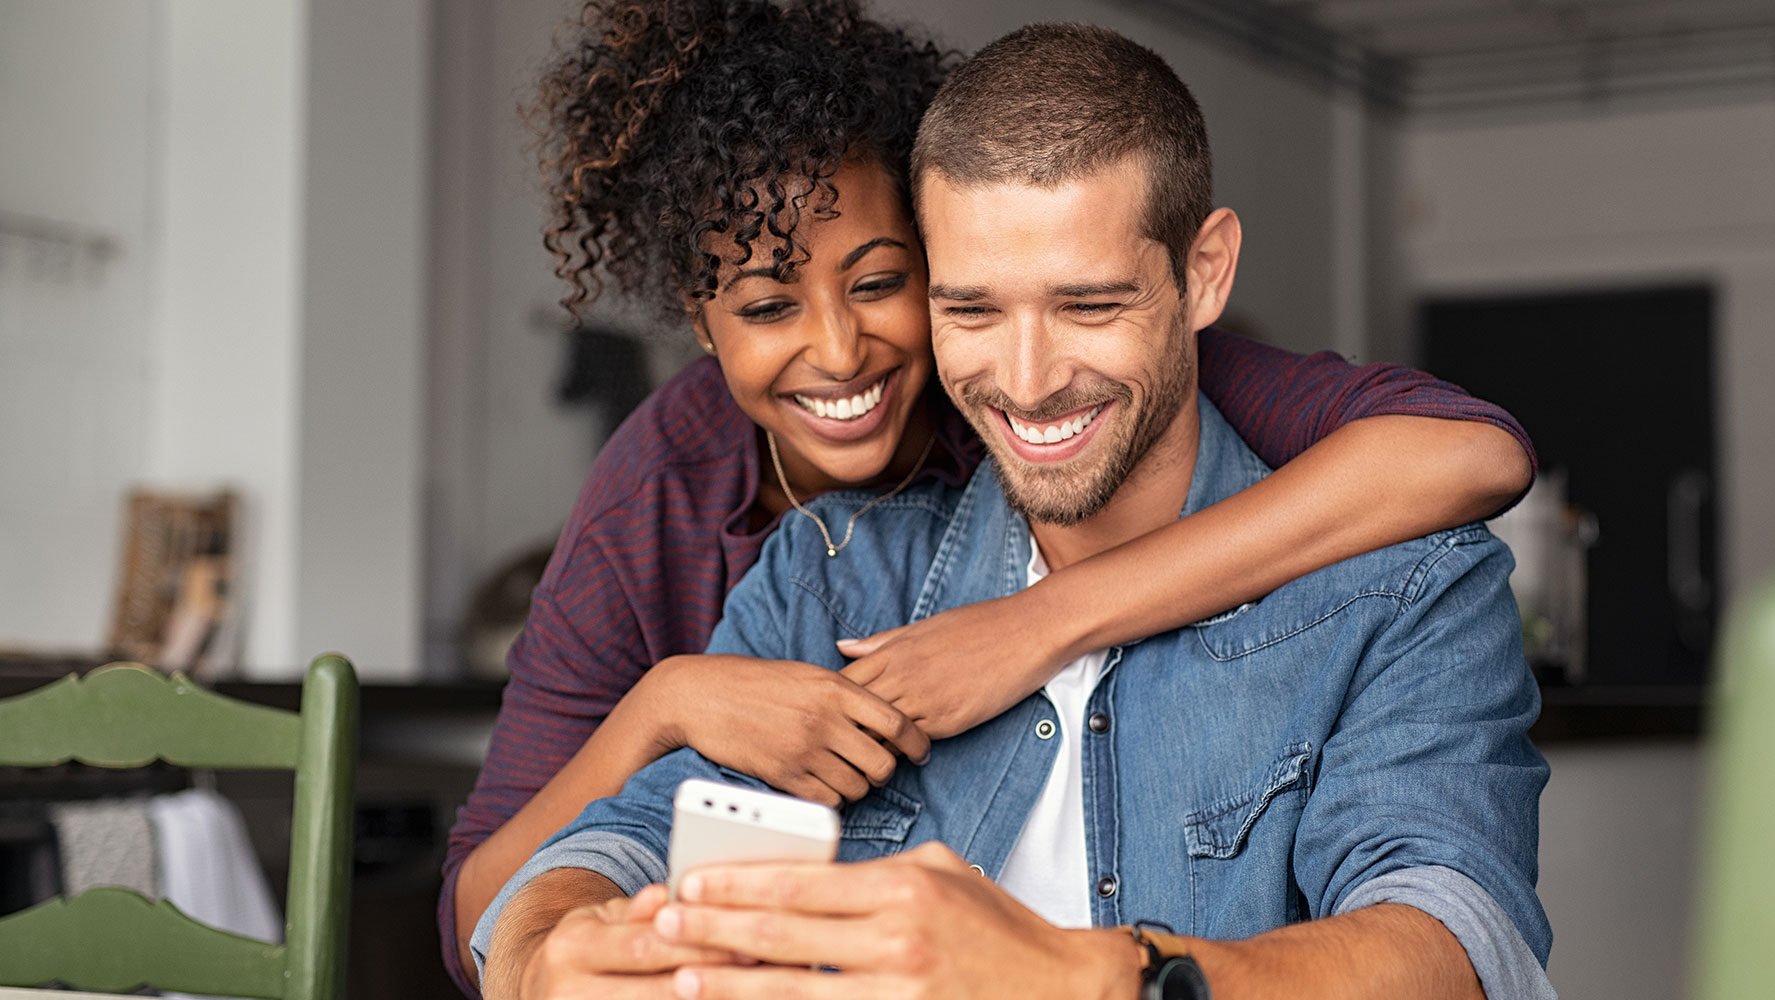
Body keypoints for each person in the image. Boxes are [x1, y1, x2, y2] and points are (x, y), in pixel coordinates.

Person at [441, 0, 1539, 992]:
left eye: (1088, 304)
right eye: (971, 310)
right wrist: (550, 953)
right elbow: (601, 853)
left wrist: (1088, 974)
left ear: (1203, 275)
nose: (1024, 380)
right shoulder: (823, 569)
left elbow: (1453, 942)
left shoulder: (1404, 587)